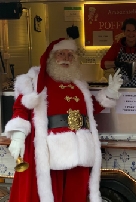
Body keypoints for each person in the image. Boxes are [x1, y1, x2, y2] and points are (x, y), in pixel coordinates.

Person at [4, 38, 123, 202]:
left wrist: (109, 92)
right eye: (61, 54)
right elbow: (21, 107)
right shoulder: (36, 81)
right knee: (50, 193)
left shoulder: (79, 84)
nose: (66, 58)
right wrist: (17, 135)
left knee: (75, 195)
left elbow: (89, 110)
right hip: (50, 150)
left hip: (80, 151)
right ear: (52, 57)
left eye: (70, 55)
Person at [101, 18, 136, 87]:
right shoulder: (116, 47)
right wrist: (116, 63)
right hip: (120, 90)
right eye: (128, 31)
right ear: (124, 32)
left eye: (134, 31)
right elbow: (103, 64)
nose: (131, 34)